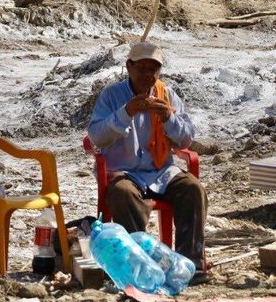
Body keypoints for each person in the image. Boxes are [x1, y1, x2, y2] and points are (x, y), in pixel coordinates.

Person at [87, 41, 207, 272]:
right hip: (124, 172)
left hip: (161, 171)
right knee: (123, 194)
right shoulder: (111, 96)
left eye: (153, 69)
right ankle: (140, 266)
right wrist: (126, 112)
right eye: (142, 68)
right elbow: (96, 137)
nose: (148, 74)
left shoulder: (167, 95)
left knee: (193, 189)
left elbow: (186, 140)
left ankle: (191, 265)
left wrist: (168, 118)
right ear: (129, 67)